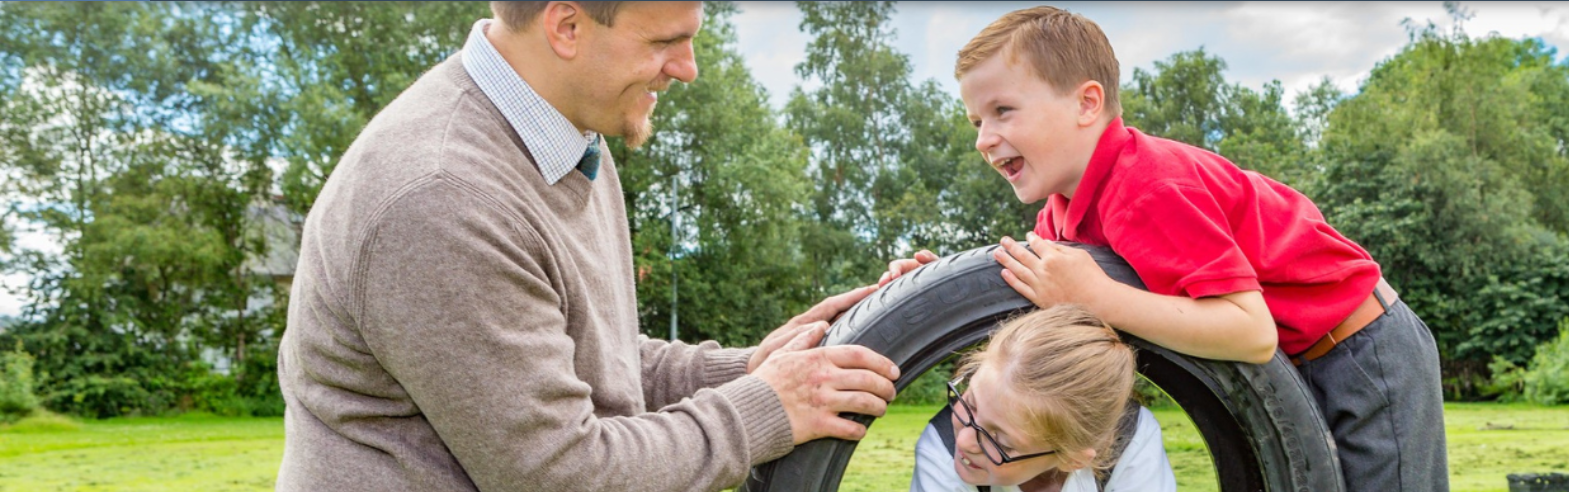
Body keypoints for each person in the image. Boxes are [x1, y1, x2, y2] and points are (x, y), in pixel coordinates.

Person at [276, 2, 900, 491]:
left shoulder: (564, 139)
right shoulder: (442, 196)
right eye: (663, 41)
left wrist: (747, 369)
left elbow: (580, 355)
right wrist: (762, 409)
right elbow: (560, 475)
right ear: (567, 26)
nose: (688, 67)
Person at [880, 6, 1449, 492]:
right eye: (976, 120)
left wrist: (1099, 296)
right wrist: (929, 291)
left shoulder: (1149, 187)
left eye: (1003, 111)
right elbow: (1039, 317)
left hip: (1360, 352)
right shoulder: (1061, 215)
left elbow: (1252, 333)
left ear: (1086, 104)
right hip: (1304, 357)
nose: (983, 138)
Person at [910, 306, 1174, 492]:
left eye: (999, 442)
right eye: (969, 403)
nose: (965, 441)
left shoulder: (1132, 439)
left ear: (1073, 459)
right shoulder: (942, 446)